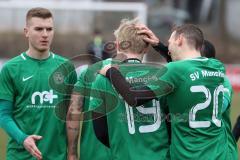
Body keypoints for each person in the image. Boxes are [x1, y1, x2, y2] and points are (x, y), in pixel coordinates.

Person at [100, 24, 234, 159]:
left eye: (169, 43)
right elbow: (184, 72)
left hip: (189, 154)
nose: (168, 49)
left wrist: (111, 72)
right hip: (218, 152)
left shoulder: (175, 70)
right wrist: (159, 46)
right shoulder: (217, 67)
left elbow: (134, 98)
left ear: (180, 39)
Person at [87, 18, 172, 160]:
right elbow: (172, 121)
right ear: (146, 47)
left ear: (117, 46)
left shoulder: (103, 78)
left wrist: (120, 146)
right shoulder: (163, 75)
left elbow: (100, 132)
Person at [0, 7, 77, 160]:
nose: (45, 34)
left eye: (49, 29)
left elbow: (72, 116)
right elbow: (3, 115)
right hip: (20, 156)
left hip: (57, 156)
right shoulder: (11, 69)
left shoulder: (67, 68)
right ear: (26, 32)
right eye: (39, 29)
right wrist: (23, 138)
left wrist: (72, 154)